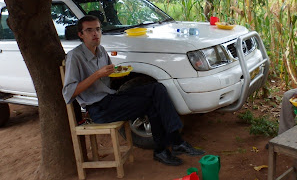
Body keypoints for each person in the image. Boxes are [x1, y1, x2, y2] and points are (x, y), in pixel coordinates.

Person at [62, 15, 204, 166]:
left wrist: (116, 74)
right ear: (81, 35)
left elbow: (109, 77)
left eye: (97, 29)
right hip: (99, 109)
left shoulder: (101, 50)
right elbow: (69, 92)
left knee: (157, 88)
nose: (95, 34)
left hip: (111, 98)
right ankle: (172, 145)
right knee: (152, 103)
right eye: (89, 30)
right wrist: (97, 74)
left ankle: (169, 146)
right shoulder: (74, 56)